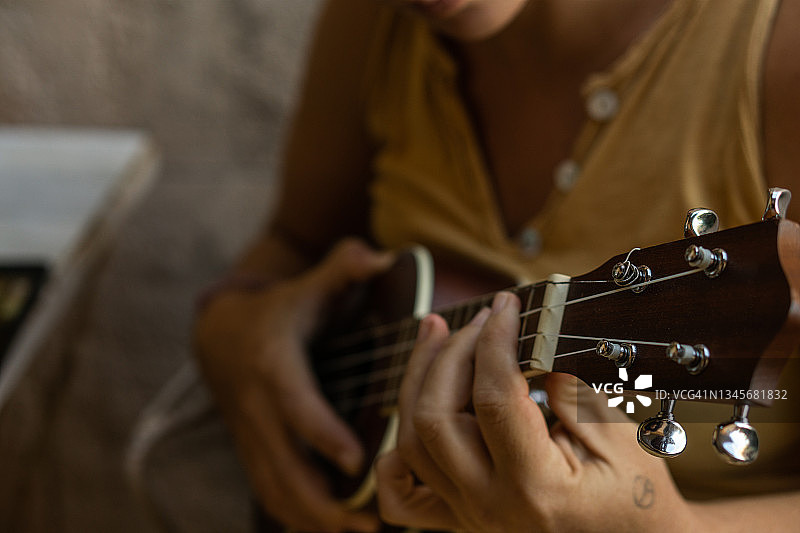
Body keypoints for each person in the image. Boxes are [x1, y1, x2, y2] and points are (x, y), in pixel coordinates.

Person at [193, 0, 800, 531]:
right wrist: (230, 331)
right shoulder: (373, 21)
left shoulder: (779, 54)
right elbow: (295, 244)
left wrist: (670, 528)